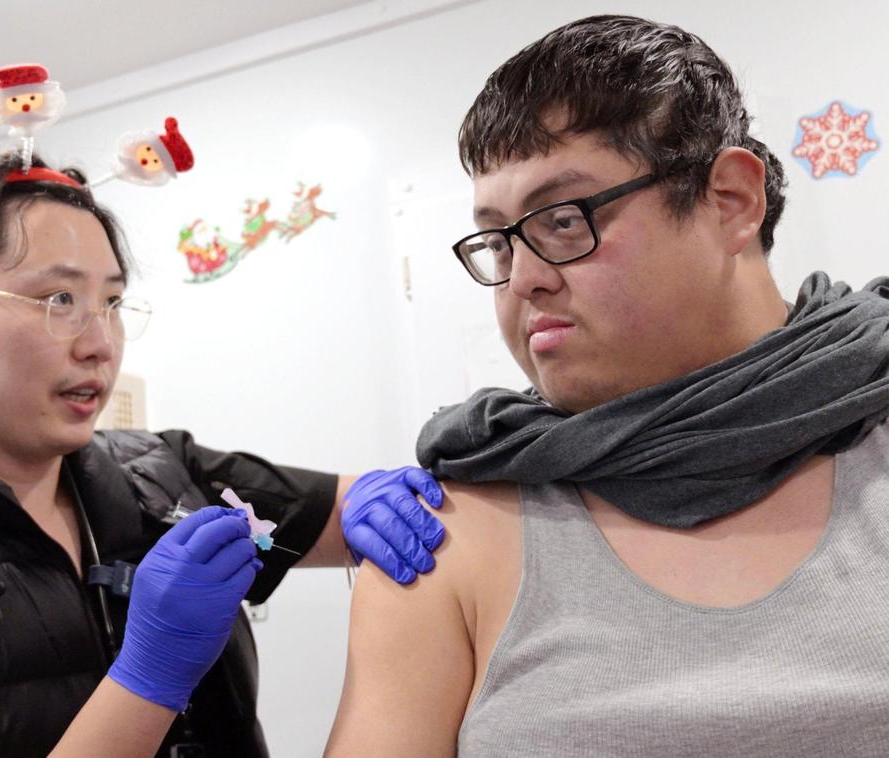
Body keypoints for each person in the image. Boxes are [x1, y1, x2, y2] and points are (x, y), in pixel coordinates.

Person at [0, 151, 445, 757]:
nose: (100, 344)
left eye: (111, 301)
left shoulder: (160, 472)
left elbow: (359, 510)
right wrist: (149, 676)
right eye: (58, 298)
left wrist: (446, 470)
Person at [326, 15, 889, 757]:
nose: (522, 280)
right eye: (499, 243)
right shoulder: (445, 533)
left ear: (730, 200)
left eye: (564, 220)